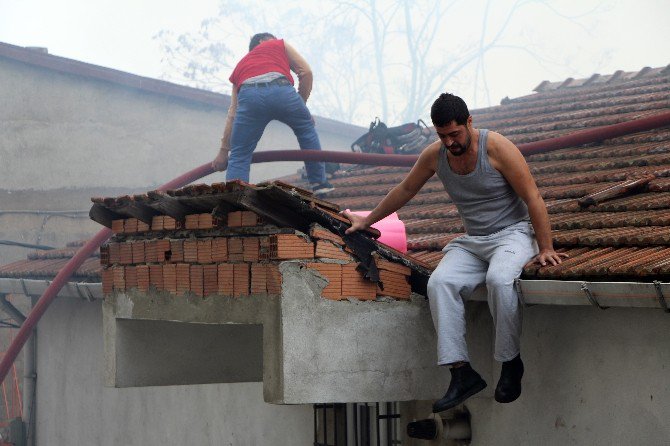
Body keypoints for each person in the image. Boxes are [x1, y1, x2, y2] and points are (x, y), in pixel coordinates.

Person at [343, 93, 566, 412]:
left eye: (454, 134)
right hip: (474, 240)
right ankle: (461, 372)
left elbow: (532, 196)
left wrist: (545, 247)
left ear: (469, 123)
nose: (449, 142)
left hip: (512, 234)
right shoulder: (435, 155)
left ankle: (510, 363)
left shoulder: (497, 147)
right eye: (442, 136)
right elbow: (405, 190)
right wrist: (367, 220)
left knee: (500, 280)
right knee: (439, 283)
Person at [211, 32, 333, 195]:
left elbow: (233, 113)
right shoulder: (278, 44)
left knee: (239, 153)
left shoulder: (240, 66)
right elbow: (306, 72)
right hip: (281, 90)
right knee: (305, 128)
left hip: (249, 96)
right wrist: (300, 105)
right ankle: (319, 182)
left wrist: (223, 151)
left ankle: (235, 198)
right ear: (262, 41)